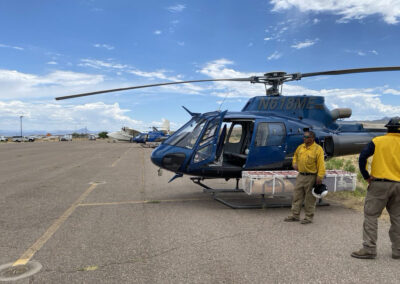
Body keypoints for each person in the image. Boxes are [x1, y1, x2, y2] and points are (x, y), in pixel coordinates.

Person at [351, 117, 400, 259]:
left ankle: (369, 249)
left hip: (380, 184)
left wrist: (366, 176)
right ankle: (398, 250)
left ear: (388, 128)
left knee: (371, 215)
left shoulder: (378, 141)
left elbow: (362, 157)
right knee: (398, 218)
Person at [284, 130, 326, 224]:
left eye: (306, 137)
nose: (304, 138)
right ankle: (295, 215)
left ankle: (308, 217)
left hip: (311, 177)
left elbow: (321, 164)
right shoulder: (300, 147)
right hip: (301, 176)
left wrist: (320, 176)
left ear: (312, 138)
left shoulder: (317, 149)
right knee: (297, 196)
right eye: (304, 137)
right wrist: (294, 163)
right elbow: (295, 156)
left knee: (309, 198)